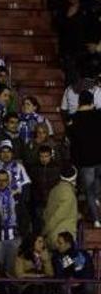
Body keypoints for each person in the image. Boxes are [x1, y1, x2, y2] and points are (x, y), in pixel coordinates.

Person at [66, 90, 101, 228]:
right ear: (92, 101)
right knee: (97, 189)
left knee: (90, 192)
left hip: (86, 163)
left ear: (79, 101)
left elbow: (70, 141)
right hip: (100, 160)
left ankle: (96, 220)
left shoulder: (73, 118)